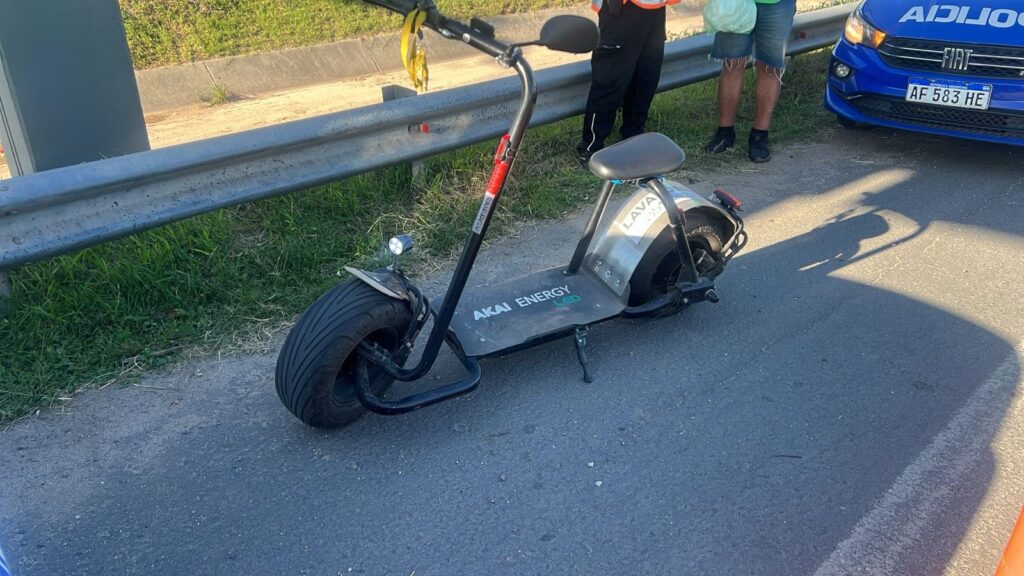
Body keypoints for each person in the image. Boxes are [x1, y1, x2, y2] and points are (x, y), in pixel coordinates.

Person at [576, 0, 679, 166]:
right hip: (621, 8)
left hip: (655, 8)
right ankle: (591, 147)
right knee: (610, 80)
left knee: (645, 79)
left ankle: (633, 138)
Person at [704, 0, 796, 163]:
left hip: (777, 5)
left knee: (770, 67)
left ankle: (759, 135)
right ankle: (724, 132)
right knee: (732, 63)